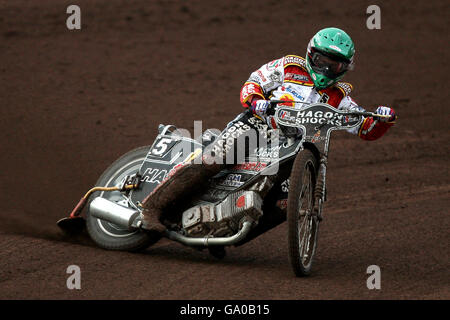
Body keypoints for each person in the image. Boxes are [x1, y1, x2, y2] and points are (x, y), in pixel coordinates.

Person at [140, 27, 396, 234]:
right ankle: (151, 208)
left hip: (297, 145)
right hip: (258, 126)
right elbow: (253, 82)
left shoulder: (340, 97)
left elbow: (365, 128)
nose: (326, 70)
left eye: (335, 65)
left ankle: (224, 229)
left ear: (345, 68)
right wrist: (256, 100)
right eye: (321, 61)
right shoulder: (288, 66)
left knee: (288, 202)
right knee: (215, 160)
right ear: (310, 54)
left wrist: (383, 119)